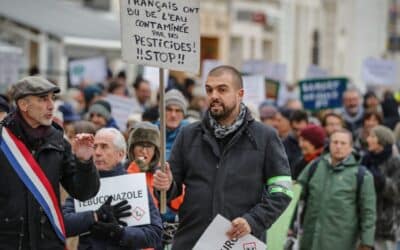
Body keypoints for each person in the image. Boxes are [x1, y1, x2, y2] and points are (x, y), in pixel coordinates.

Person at [153, 65, 292, 249]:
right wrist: (166, 184)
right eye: (209, 90)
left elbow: (282, 191)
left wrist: (253, 220)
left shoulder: (265, 137)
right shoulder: (188, 134)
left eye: (222, 89)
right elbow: (173, 188)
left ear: (240, 94)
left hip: (238, 242)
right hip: (192, 241)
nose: (214, 95)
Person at [0, 76, 100, 249]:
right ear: (24, 105)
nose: (51, 105)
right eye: (42, 99)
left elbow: (83, 193)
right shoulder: (3, 139)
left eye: (52, 98)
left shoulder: (58, 140)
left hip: (48, 242)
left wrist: (84, 162)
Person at [63, 128, 163, 249]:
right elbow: (63, 224)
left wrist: (119, 233)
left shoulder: (134, 184)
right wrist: (94, 216)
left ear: (120, 155)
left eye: (104, 147)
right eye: (94, 147)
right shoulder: (83, 183)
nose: (97, 152)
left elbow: (155, 234)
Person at [297, 129, 376, 250]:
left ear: (351, 147)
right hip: (310, 240)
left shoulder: (362, 175)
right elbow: (296, 194)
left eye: (343, 143)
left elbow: (368, 212)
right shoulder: (315, 166)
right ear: (329, 144)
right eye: (335, 142)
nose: (338, 146)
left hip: (341, 242)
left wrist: (367, 243)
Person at [362, 125, 400, 250]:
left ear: (382, 141)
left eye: (373, 136)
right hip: (364, 223)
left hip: (386, 225)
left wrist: (381, 181)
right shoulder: (365, 160)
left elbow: (396, 193)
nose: (368, 139)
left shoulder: (395, 162)